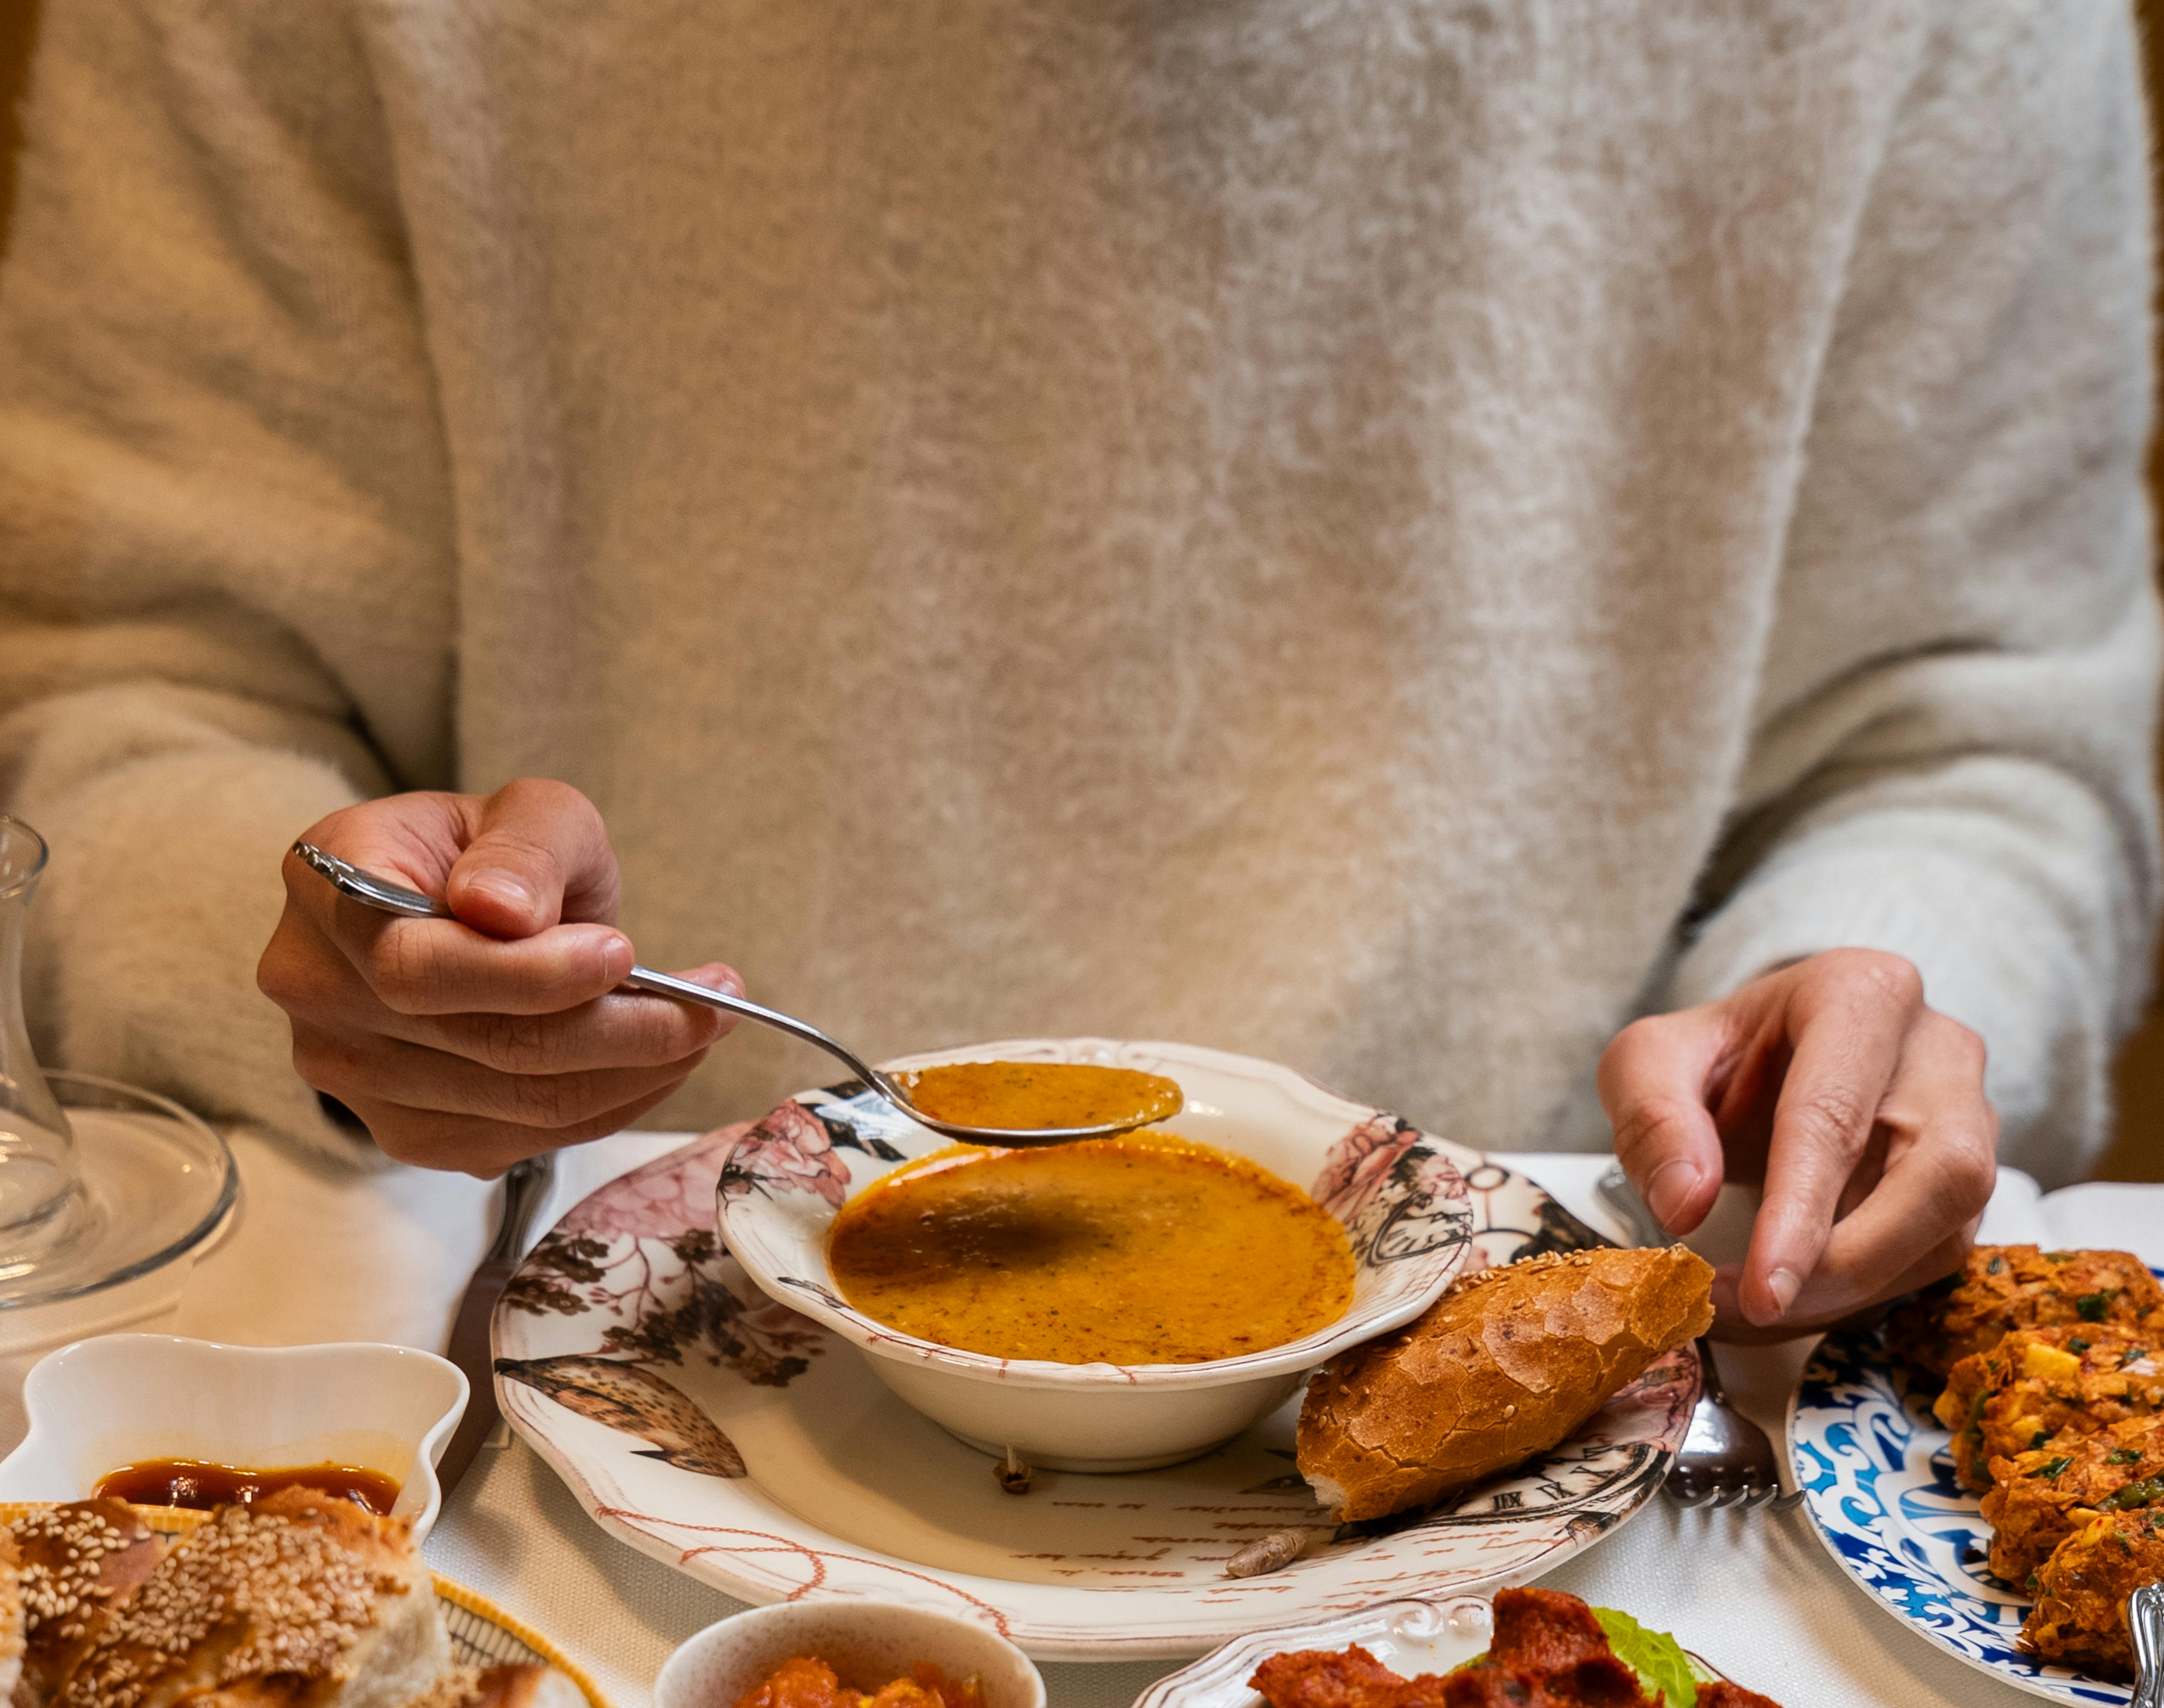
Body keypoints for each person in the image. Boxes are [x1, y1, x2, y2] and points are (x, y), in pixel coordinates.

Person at [0, 0, 2152, 1337]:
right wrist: (347, 974)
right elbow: (126, 699)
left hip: (1562, 1417)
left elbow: (1987, 742)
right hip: (571, 1392)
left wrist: (1864, 1002)